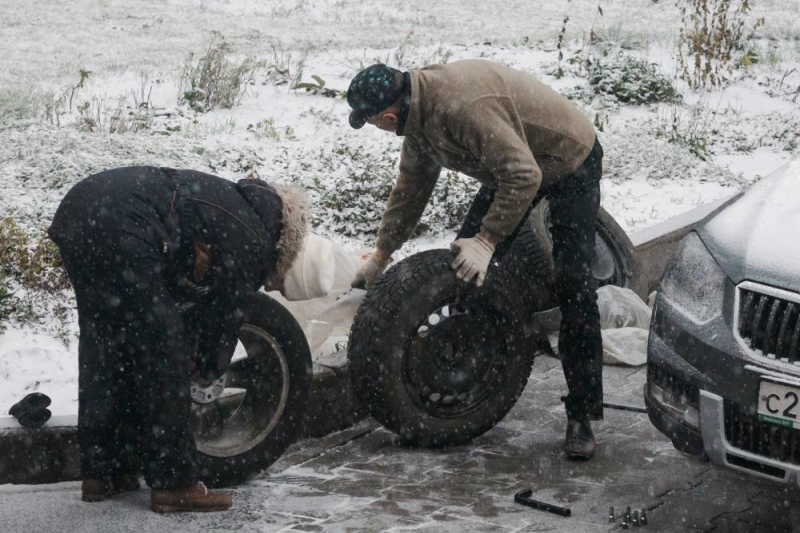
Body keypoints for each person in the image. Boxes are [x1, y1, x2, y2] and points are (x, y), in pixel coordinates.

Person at [347, 59, 605, 459]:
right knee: (461, 266)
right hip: (513, 165)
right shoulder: (417, 119)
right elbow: (410, 190)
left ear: (387, 115)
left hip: (567, 158)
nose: (378, 129)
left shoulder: (458, 106)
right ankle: (470, 380)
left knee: (575, 286)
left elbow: (525, 176)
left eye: (372, 123)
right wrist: (381, 255)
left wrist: (487, 240)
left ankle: (582, 417)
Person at [47, 166, 307, 511]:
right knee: (163, 352)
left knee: (107, 345)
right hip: (124, 224)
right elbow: (224, 314)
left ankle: (104, 471)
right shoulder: (256, 238)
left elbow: (186, 272)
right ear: (283, 246)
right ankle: (175, 483)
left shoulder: (229, 202)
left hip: (80, 212)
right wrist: (207, 367)